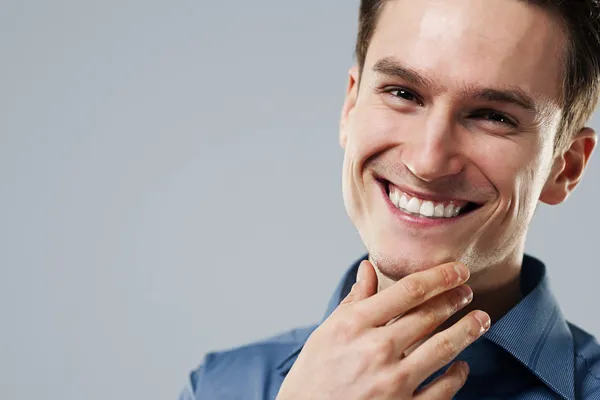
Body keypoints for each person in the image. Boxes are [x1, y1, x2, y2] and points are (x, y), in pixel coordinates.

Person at [180, 0, 600, 398]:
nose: (428, 162)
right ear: (350, 105)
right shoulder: (218, 388)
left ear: (565, 167)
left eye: (494, 117)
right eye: (402, 93)